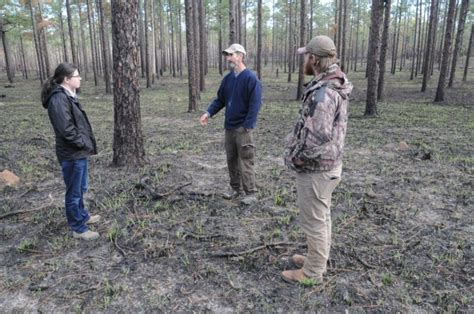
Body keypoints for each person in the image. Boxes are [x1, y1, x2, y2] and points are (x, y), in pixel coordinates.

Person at [282, 36, 353, 283]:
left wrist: (295, 157)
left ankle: (312, 273)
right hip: (328, 166)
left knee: (314, 221)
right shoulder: (332, 83)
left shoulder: (324, 92)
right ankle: (316, 259)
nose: (304, 60)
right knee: (321, 217)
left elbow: (316, 138)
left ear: (314, 59)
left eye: (306, 56)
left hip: (316, 169)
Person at [41, 63, 101, 241]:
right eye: (76, 76)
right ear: (66, 79)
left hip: (77, 152)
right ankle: (78, 228)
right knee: (74, 192)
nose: (80, 78)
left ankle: (82, 216)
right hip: (72, 153)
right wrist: (83, 143)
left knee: (80, 188)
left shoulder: (68, 96)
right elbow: (66, 129)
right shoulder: (58, 99)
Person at [199, 43, 262, 205]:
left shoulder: (251, 78)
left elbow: (255, 104)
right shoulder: (227, 79)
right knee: (231, 159)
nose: (228, 58)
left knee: (245, 159)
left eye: (231, 55)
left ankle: (251, 192)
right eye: (227, 55)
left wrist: (248, 124)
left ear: (241, 56)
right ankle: (235, 189)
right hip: (229, 127)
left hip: (243, 128)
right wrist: (208, 113)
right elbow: (220, 100)